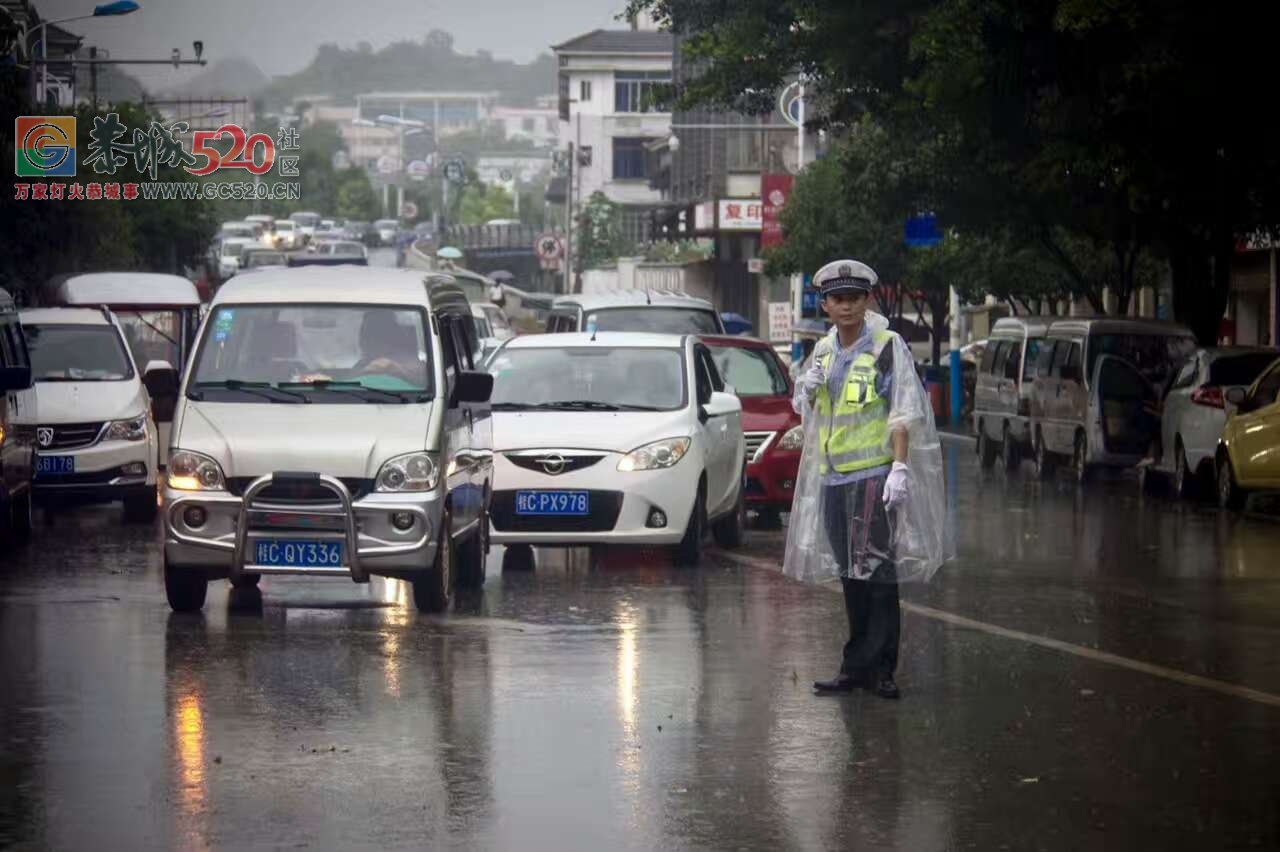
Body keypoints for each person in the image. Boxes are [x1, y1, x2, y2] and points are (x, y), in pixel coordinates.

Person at [786, 259, 950, 700]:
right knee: (850, 575)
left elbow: (903, 411)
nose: (846, 306)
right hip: (833, 479)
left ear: (867, 301)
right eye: (838, 299)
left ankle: (881, 669)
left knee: (878, 575)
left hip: (874, 477)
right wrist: (806, 387)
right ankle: (854, 665)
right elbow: (814, 410)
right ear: (825, 304)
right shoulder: (822, 350)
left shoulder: (885, 345)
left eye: (854, 298)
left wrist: (899, 467)